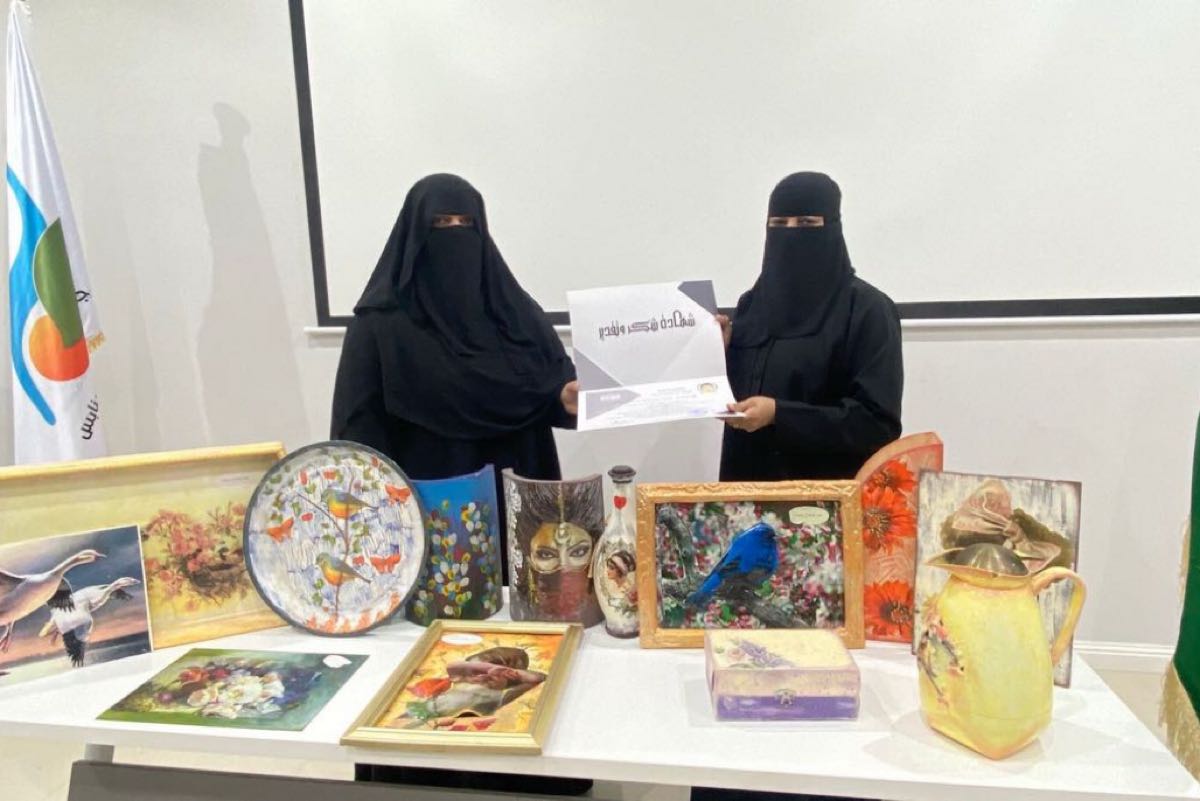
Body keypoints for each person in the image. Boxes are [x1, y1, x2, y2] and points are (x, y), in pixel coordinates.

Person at [332, 173, 588, 795]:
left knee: (528, 653)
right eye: (440, 227)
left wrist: (572, 398)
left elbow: (556, 391)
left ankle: (533, 776)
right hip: (432, 518)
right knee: (434, 664)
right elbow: (355, 440)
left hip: (520, 501)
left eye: (465, 226)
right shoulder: (379, 326)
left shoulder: (513, 312)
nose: (454, 238)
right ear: (413, 239)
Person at [719, 171, 903, 482]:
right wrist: (720, 353)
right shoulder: (753, 305)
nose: (791, 233)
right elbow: (738, 402)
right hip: (745, 495)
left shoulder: (867, 309)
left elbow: (877, 425)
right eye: (779, 224)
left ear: (833, 227)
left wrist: (780, 415)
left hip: (822, 500)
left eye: (806, 222)